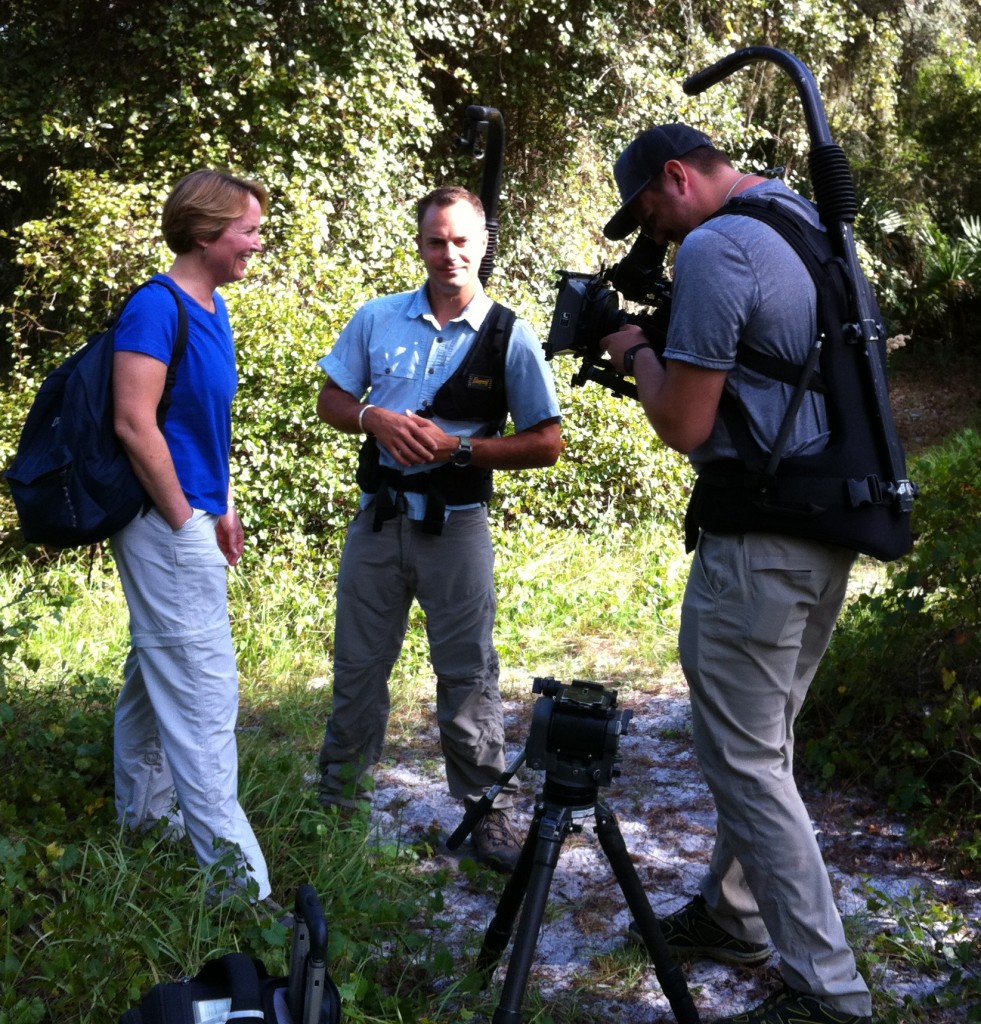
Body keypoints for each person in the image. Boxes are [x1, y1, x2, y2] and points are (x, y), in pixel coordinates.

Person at [600, 125, 873, 1024]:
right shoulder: (803, 222)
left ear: (675, 176)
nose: (659, 236)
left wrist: (632, 351)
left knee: (747, 762)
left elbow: (683, 423)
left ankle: (828, 995)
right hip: (826, 522)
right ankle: (732, 914)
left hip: (759, 540)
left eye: (650, 214)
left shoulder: (720, 243)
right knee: (767, 748)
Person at [314, 185, 562, 872]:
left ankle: (487, 818)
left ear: (482, 244)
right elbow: (331, 397)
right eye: (435, 240)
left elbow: (546, 442)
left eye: (460, 241)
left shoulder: (508, 334)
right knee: (357, 670)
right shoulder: (376, 318)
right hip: (378, 522)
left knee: (467, 675)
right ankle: (334, 811)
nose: (448, 253)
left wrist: (458, 450)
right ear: (419, 243)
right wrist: (372, 418)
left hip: (456, 529)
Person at [111, 169, 278, 911]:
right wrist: (184, 518)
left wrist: (224, 505)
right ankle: (241, 892)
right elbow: (133, 422)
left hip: (197, 515)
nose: (257, 243)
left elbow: (203, 422)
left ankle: (144, 817)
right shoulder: (156, 307)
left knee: (158, 669)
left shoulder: (212, 306)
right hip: (162, 524)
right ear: (205, 233)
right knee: (205, 693)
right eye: (247, 230)